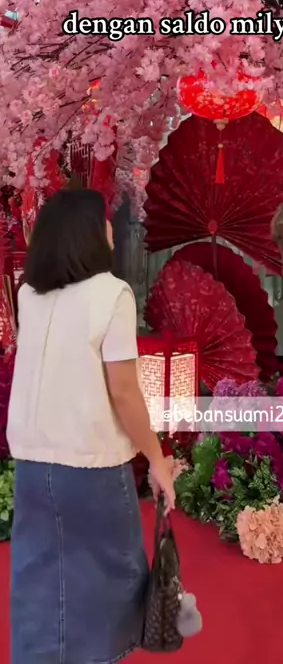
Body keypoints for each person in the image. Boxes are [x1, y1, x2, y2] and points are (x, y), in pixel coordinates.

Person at [7, 188, 175, 664]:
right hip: (92, 467)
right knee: (109, 587)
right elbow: (123, 391)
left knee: (39, 586)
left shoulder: (29, 295)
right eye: (104, 220)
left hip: (32, 468)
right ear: (87, 233)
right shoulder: (112, 294)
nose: (110, 228)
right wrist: (157, 459)